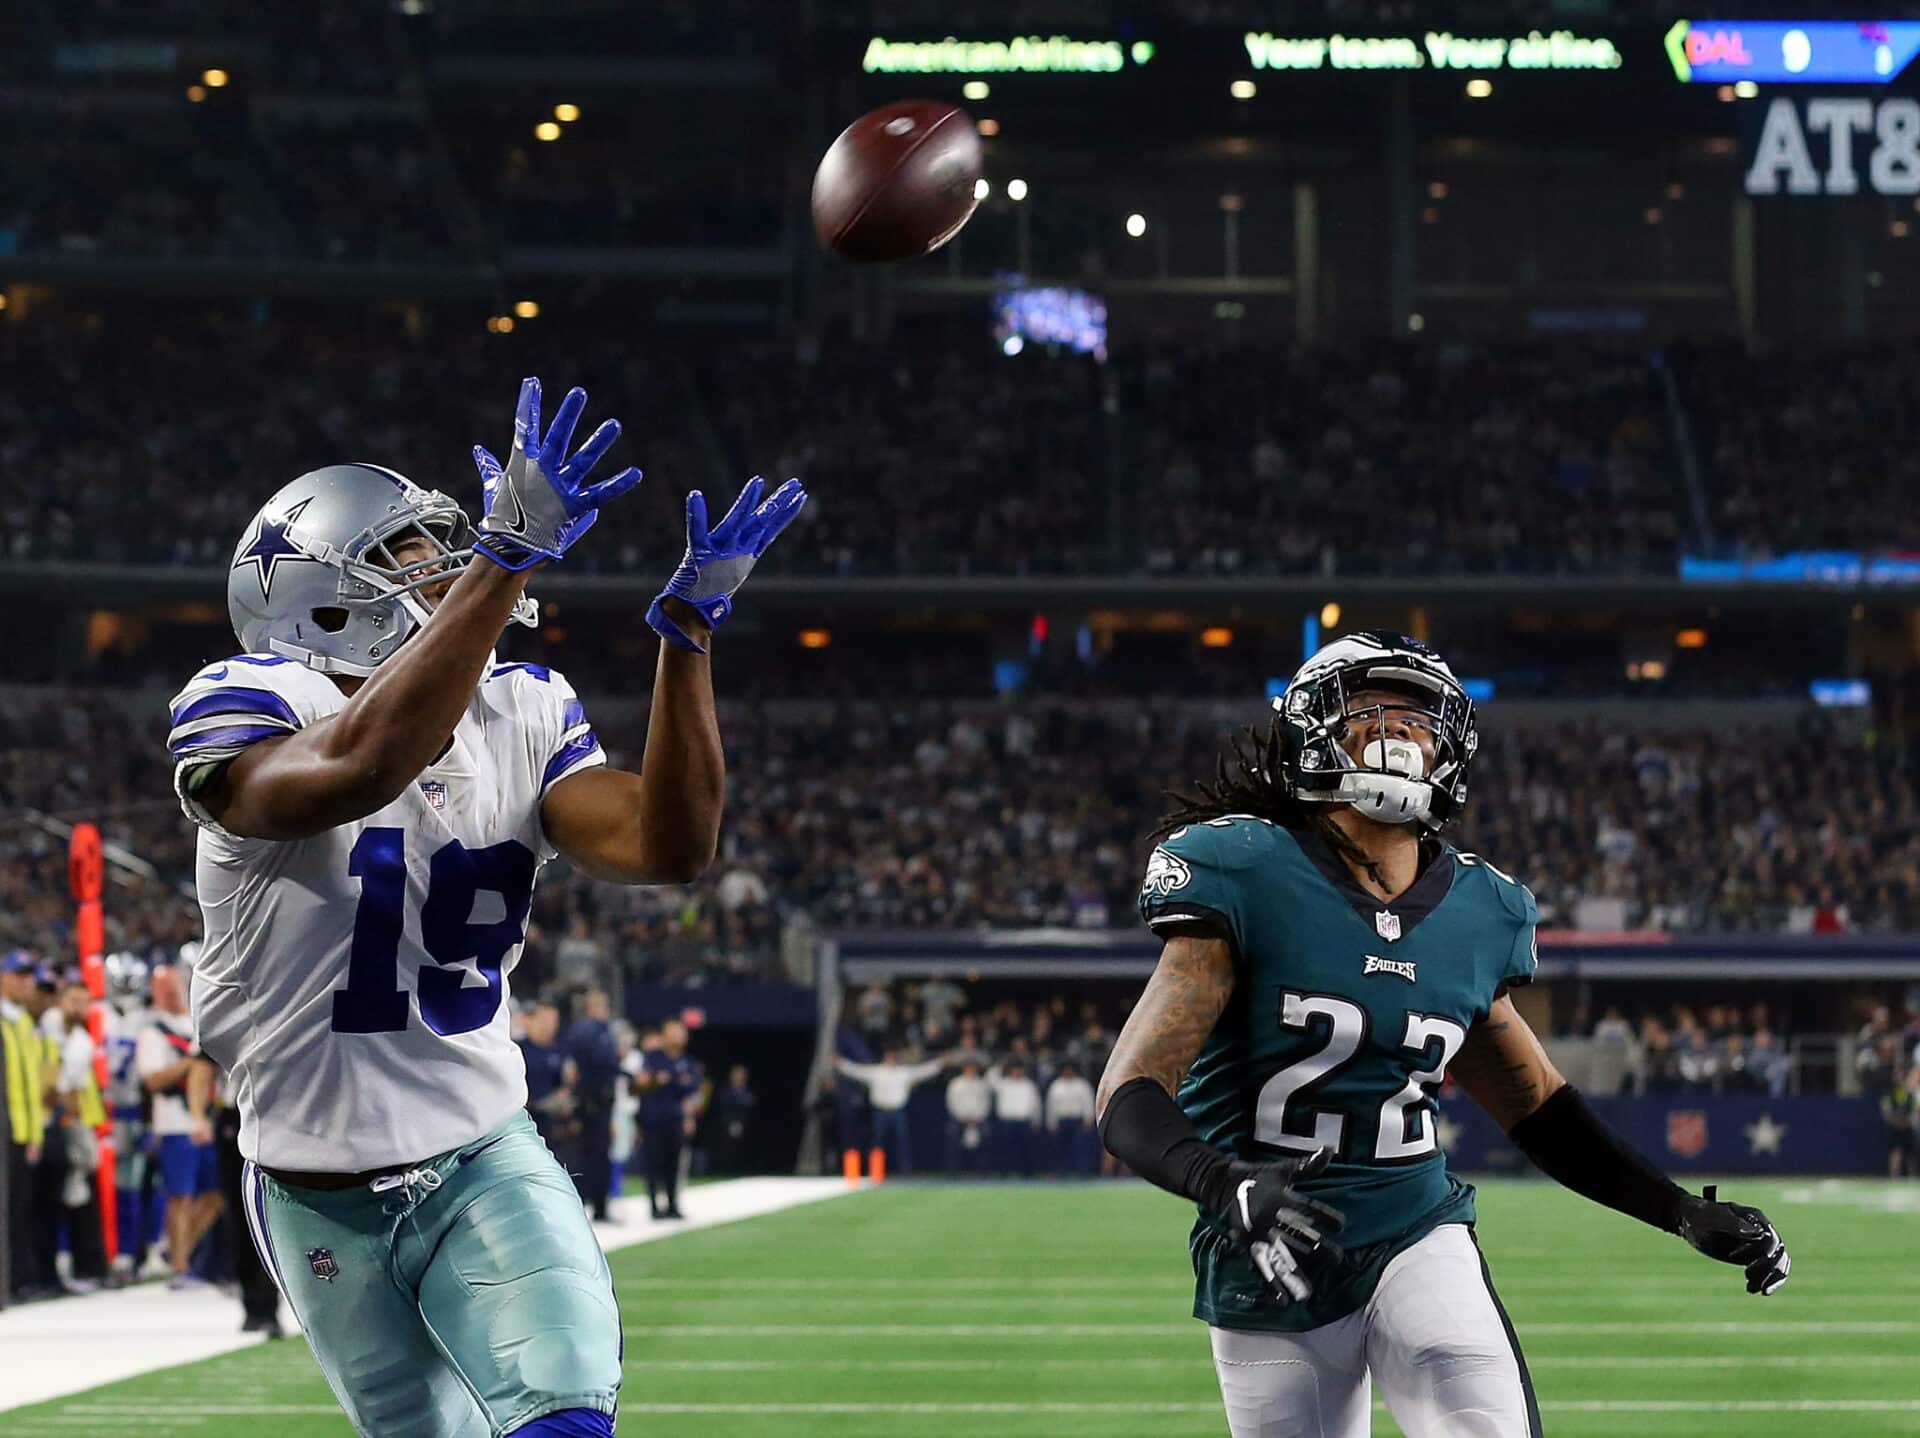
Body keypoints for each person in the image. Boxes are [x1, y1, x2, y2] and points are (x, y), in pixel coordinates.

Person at [162, 377, 805, 1438]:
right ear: (318, 598)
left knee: (563, 1417)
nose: (445, 569)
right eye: (405, 559)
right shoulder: (249, 703)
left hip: (480, 1154)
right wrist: (505, 559)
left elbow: (668, 845)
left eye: (445, 548)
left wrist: (686, 637)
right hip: (312, 1185)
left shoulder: (524, 706)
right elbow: (364, 765)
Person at [1097, 632, 1792, 1438]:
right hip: (1267, 1252)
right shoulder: (1244, 867)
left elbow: (1540, 1109)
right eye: (1369, 705)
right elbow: (1128, 1092)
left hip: (1413, 1227)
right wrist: (1224, 1183)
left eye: (1423, 714)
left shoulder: (1478, 907)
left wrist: (1675, 1209)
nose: (1400, 728)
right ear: (1312, 727)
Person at [137, 966, 221, 1289]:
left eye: (175, 986)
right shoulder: (153, 1032)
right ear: (156, 992)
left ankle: (179, 1249)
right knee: (180, 1196)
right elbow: (153, 1080)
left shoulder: (192, 1023)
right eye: (165, 989)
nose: (172, 993)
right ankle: (179, 1266)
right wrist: (192, 1062)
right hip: (174, 1123)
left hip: (206, 1120)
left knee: (215, 1196)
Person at [2, 952, 48, 1300]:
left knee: (21, 1209)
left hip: (22, 1129)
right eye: (19, 975)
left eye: (29, 976)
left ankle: (18, 1279)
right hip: (7, 1129)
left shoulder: (24, 1024)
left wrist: (35, 1132)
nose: (26, 983)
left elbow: (34, 1082)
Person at [835, 1049, 950, 1175]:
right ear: (885, 1057)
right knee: (877, 1143)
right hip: (880, 1112)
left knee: (902, 1143)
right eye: (889, 1056)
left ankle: (905, 1172)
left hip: (897, 1112)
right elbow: (856, 1071)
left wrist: (940, 1063)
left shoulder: (903, 1072)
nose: (891, 1059)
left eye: (893, 1056)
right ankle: (875, 1172)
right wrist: (841, 1064)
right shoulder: (876, 1072)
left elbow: (922, 1071)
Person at [636, 1020, 707, 1219]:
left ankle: (672, 1204)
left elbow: (693, 1092)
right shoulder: (651, 1057)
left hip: (675, 1120)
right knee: (653, 1163)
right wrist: (654, 1081)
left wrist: (690, 1115)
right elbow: (639, 1085)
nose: (677, 1036)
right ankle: (653, 1205)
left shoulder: (688, 1062)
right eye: (672, 1032)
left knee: (674, 1164)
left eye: (680, 1032)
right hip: (652, 1120)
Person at [562, 991, 621, 1221]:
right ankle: (596, 1206)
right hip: (593, 1103)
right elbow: (603, 1063)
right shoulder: (593, 1031)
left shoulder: (588, 1030)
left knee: (590, 1156)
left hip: (594, 1103)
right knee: (594, 1156)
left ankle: (593, 1205)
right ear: (594, 1006)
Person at [1045, 1060, 1097, 1175]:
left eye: (1070, 1070)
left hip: (1077, 1120)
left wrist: (1088, 1119)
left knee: (1080, 1147)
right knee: (1060, 1148)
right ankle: (1060, 1171)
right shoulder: (1056, 1086)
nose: (1068, 1072)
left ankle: (1081, 1171)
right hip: (1062, 1120)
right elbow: (1051, 1105)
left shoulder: (1082, 1085)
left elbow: (1088, 1102)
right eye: (1066, 1070)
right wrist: (1051, 1122)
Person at [944, 1061, 992, 1174]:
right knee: (952, 1140)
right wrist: (962, 1117)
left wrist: (978, 1118)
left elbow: (986, 1103)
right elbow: (951, 1102)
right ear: (964, 1069)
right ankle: (954, 1172)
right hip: (959, 1119)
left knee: (987, 1139)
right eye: (969, 1069)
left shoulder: (982, 1084)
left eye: (974, 1069)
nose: (971, 1071)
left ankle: (982, 1172)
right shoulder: (956, 1083)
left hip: (978, 1120)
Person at [711, 1065, 756, 1175]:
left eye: (741, 1074)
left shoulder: (746, 1090)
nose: (739, 1076)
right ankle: (724, 1169)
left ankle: (737, 1169)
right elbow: (725, 1102)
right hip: (728, 1122)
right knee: (727, 1148)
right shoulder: (726, 1090)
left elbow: (750, 1102)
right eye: (737, 1074)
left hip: (742, 1122)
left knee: (739, 1148)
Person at [1882, 1066, 1919, 1179]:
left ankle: (1913, 1177)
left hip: (1908, 1127)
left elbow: (1914, 1110)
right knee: (1895, 1152)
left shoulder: (1909, 1094)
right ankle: (1894, 1176)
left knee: (1911, 1154)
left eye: (1902, 1076)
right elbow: (1886, 1111)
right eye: (1897, 1076)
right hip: (1895, 1128)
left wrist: (1908, 1122)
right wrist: (1896, 1122)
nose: (1899, 1078)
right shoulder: (1889, 1094)